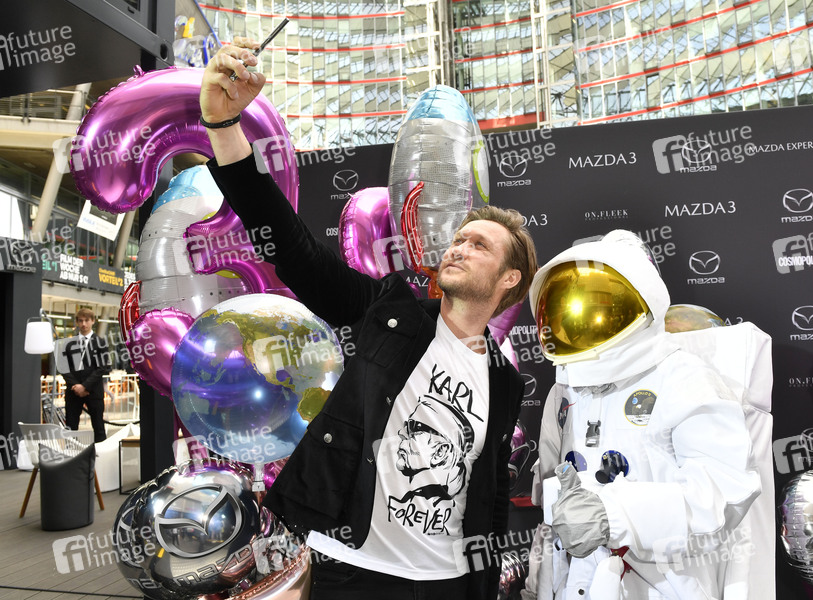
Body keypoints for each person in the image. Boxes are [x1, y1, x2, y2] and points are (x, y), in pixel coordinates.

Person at [199, 39, 539, 600]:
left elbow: (492, 492)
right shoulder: (390, 315)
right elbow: (294, 249)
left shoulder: (504, 380)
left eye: (479, 244)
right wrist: (223, 125)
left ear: (509, 280)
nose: (457, 247)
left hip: (449, 582)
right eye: (459, 238)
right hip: (352, 571)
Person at [526, 231, 761, 599]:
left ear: (644, 298)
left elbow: (722, 499)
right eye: (570, 307)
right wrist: (539, 588)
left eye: (601, 304)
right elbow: (556, 523)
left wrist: (613, 515)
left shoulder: (685, 378)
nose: (584, 319)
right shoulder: (564, 394)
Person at [61, 307, 110, 442]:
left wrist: (85, 386)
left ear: (93, 321)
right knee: (70, 428)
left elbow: (101, 368)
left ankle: (101, 454)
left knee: (99, 428)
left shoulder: (101, 343)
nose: (84, 324)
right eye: (81, 321)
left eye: (87, 320)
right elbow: (64, 367)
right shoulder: (69, 343)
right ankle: (71, 454)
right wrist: (76, 386)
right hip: (73, 391)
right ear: (77, 322)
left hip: (93, 391)